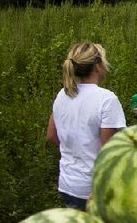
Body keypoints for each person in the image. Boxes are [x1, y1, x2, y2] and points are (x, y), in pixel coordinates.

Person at [45, 42, 126, 210]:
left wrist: (76, 150)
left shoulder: (63, 94)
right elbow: (108, 152)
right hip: (92, 189)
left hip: (67, 184)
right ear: (97, 66)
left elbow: (51, 136)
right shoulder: (106, 99)